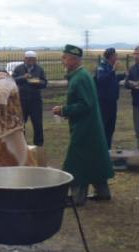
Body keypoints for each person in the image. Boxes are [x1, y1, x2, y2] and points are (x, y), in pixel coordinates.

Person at [52, 44, 115, 205]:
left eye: (65, 58)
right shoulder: (81, 75)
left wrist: (64, 110)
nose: (62, 61)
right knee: (94, 157)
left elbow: (85, 104)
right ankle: (103, 192)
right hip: (89, 125)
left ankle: (77, 197)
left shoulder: (80, 77)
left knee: (77, 161)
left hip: (85, 126)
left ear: (74, 60)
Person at [12, 51, 48, 147]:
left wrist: (37, 82)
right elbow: (12, 80)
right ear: (25, 59)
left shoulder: (39, 69)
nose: (31, 62)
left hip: (35, 100)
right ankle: (21, 143)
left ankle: (39, 144)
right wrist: (23, 77)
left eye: (33, 60)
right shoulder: (18, 68)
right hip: (21, 100)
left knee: (37, 123)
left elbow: (44, 83)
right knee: (20, 123)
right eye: (29, 60)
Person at [95, 47, 125, 148]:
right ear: (111, 56)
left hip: (112, 102)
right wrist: (113, 70)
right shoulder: (102, 66)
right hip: (104, 103)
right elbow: (102, 80)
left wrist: (123, 75)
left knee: (110, 127)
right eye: (115, 55)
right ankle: (101, 149)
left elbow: (113, 79)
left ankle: (108, 148)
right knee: (104, 126)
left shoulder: (109, 66)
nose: (117, 57)